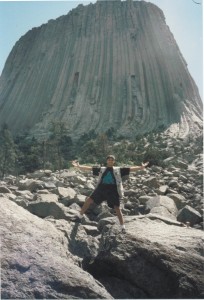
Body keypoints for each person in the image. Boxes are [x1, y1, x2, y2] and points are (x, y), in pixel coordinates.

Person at [72, 155, 149, 232]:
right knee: (88, 200)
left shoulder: (118, 169)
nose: (110, 161)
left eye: (112, 160)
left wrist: (141, 167)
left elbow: (130, 169)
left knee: (117, 208)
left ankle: (123, 227)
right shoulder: (102, 169)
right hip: (101, 188)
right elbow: (90, 168)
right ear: (107, 161)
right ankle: (79, 216)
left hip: (113, 190)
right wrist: (79, 166)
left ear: (114, 161)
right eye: (109, 159)